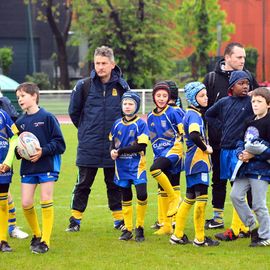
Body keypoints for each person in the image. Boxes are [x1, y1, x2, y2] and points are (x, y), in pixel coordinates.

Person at [67, 46, 129, 232]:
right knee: (83, 183)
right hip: (89, 145)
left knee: (114, 184)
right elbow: (74, 112)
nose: (100, 67)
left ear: (112, 64)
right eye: (97, 63)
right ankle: (75, 220)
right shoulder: (84, 86)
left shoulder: (122, 87)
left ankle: (119, 220)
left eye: (103, 63)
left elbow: (128, 113)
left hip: (114, 146)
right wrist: (86, 130)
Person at [203, 42, 259, 229]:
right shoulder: (211, 78)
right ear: (227, 58)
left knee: (243, 181)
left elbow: (260, 104)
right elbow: (206, 110)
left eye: (244, 57)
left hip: (241, 145)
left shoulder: (249, 77)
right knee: (218, 180)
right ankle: (217, 218)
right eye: (239, 57)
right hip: (217, 143)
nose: (243, 60)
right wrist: (218, 128)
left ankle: (245, 223)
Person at [15, 82, 66, 254]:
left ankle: (45, 240)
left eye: (22, 96)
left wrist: (42, 151)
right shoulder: (20, 122)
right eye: (18, 97)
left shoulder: (47, 117)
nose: (20, 100)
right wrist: (20, 152)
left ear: (34, 96)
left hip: (47, 166)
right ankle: (36, 234)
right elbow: (17, 146)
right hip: (28, 168)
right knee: (26, 203)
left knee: (45, 199)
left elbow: (60, 144)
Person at [170, 82, 219, 247]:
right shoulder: (194, 115)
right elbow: (194, 134)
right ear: (193, 98)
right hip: (199, 162)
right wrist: (207, 148)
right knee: (201, 199)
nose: (206, 98)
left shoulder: (191, 113)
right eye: (201, 96)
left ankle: (177, 235)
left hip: (191, 162)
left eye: (205, 95)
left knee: (189, 198)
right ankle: (200, 238)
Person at [230, 87, 270, 247]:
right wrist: (241, 153)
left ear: (268, 104)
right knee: (235, 195)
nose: (255, 104)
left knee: (258, 204)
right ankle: (253, 227)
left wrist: (254, 154)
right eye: (253, 101)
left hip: (261, 170)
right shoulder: (249, 120)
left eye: (259, 101)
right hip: (245, 168)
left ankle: (265, 236)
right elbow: (240, 141)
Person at [110, 91, 149, 242]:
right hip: (121, 167)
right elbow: (112, 142)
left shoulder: (140, 124)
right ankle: (127, 229)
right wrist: (112, 151)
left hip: (137, 166)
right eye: (125, 103)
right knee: (125, 196)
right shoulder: (117, 123)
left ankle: (139, 227)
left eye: (130, 104)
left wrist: (121, 151)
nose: (127, 106)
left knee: (142, 194)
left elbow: (142, 146)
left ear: (136, 106)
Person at [147, 82, 183, 235]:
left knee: (155, 169)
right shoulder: (149, 116)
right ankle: (166, 225)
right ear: (154, 97)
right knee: (163, 189)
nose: (161, 98)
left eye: (164, 96)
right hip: (159, 153)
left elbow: (184, 131)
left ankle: (175, 199)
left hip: (174, 151)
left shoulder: (174, 112)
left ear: (169, 97)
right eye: (158, 95)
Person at [0, 91, 29, 239]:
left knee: (4, 196)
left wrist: (8, 160)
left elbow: (14, 134)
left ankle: (11, 227)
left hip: (3, 160)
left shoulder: (4, 107)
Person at [0, 109, 19, 252]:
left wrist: (8, 161)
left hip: (3, 168)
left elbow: (14, 138)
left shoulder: (3, 115)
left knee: (2, 204)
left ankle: (3, 241)